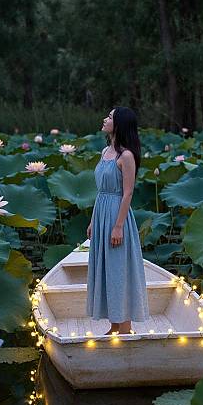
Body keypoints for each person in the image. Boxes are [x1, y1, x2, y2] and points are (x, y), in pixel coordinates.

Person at [86, 107, 149, 335]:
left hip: (117, 215)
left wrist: (118, 226)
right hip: (102, 213)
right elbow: (101, 191)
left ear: (120, 124)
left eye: (110, 117)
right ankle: (114, 326)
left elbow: (128, 193)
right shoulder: (105, 152)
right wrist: (94, 220)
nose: (105, 119)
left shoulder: (127, 156)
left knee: (118, 270)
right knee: (107, 269)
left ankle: (126, 328)